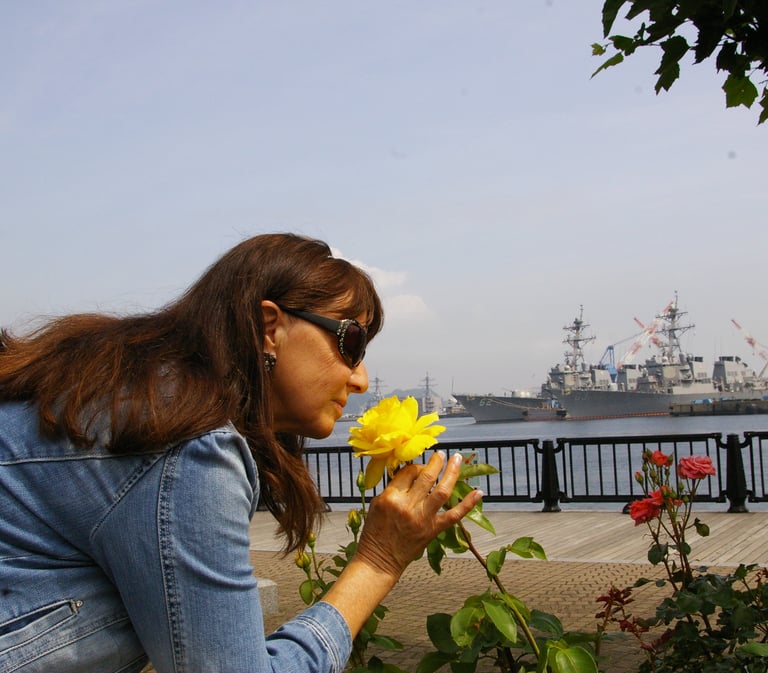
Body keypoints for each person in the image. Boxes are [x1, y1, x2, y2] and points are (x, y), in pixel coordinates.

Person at [0, 233, 481, 673]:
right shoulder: (187, 445)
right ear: (269, 328)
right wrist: (379, 559)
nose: (358, 378)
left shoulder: (121, 394)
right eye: (351, 343)